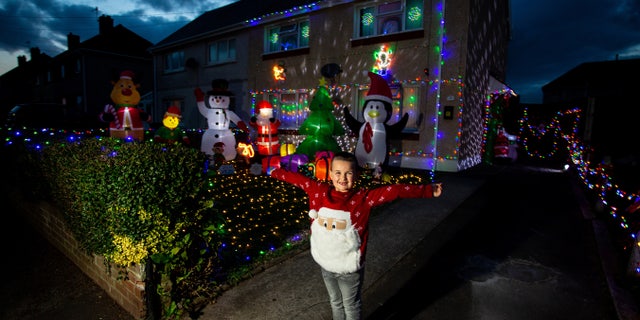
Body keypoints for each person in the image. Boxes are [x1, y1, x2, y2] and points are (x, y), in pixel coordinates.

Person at [269, 151, 442, 320]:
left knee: (350, 305)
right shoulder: (318, 191)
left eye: (348, 173)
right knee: (335, 302)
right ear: (330, 174)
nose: (342, 178)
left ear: (356, 175)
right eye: (338, 172)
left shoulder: (363, 198)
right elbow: (297, 179)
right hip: (326, 264)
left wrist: (426, 190)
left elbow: (394, 190)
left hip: (350, 268)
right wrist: (273, 171)